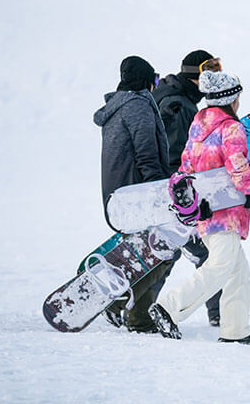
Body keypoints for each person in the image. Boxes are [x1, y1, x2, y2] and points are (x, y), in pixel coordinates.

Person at [148, 69, 250, 346]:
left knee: (238, 272)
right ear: (231, 99)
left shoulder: (198, 124)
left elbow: (186, 166)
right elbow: (238, 167)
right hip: (227, 212)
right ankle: (168, 308)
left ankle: (236, 331)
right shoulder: (231, 128)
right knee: (220, 266)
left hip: (206, 210)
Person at [93, 55, 176, 333]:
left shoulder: (116, 107)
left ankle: (131, 310)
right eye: (154, 79)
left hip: (119, 193)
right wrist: (160, 195)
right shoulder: (137, 106)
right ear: (145, 81)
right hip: (139, 193)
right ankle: (126, 307)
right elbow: (146, 154)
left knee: (149, 252)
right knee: (163, 251)